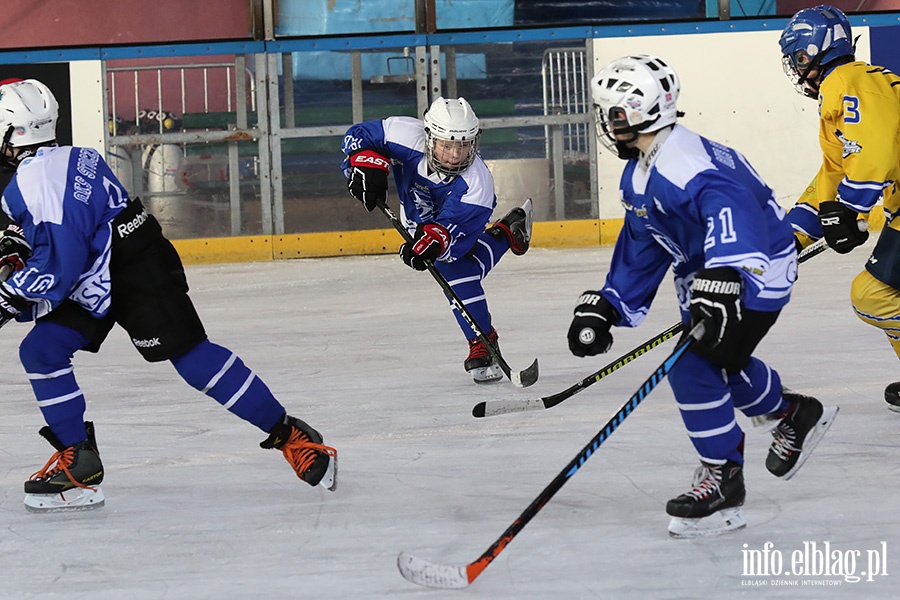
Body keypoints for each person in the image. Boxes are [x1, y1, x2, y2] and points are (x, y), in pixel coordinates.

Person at [0, 79, 337, 512]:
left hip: (135, 266)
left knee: (192, 359)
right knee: (42, 351)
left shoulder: (34, 182)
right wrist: (16, 242)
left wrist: (8, 296)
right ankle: (79, 460)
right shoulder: (72, 156)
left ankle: (291, 434)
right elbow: (56, 231)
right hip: (96, 265)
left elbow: (56, 270)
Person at [568, 54, 838, 537]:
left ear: (632, 114)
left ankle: (723, 480)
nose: (606, 123)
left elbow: (732, 210)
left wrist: (727, 273)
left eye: (610, 112)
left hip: (755, 270)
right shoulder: (642, 171)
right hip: (708, 276)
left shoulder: (685, 164)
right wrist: (612, 303)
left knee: (693, 364)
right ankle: (794, 413)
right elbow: (647, 237)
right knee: (721, 362)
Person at [340, 97, 533, 384]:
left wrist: (430, 243)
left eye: (463, 145)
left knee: (454, 270)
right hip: (417, 215)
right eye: (446, 144)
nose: (455, 154)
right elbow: (357, 136)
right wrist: (366, 164)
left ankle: (482, 341)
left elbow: (444, 234)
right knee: (455, 267)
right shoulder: (403, 133)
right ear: (429, 137)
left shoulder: (477, 186)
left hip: (463, 218)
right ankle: (507, 232)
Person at [779, 5, 900, 412]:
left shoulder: (847, 81)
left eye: (798, 58)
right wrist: (791, 235)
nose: (797, 69)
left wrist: (851, 208)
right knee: (876, 294)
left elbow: (875, 149)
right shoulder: (846, 88)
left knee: (872, 294)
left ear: (818, 50)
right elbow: (833, 172)